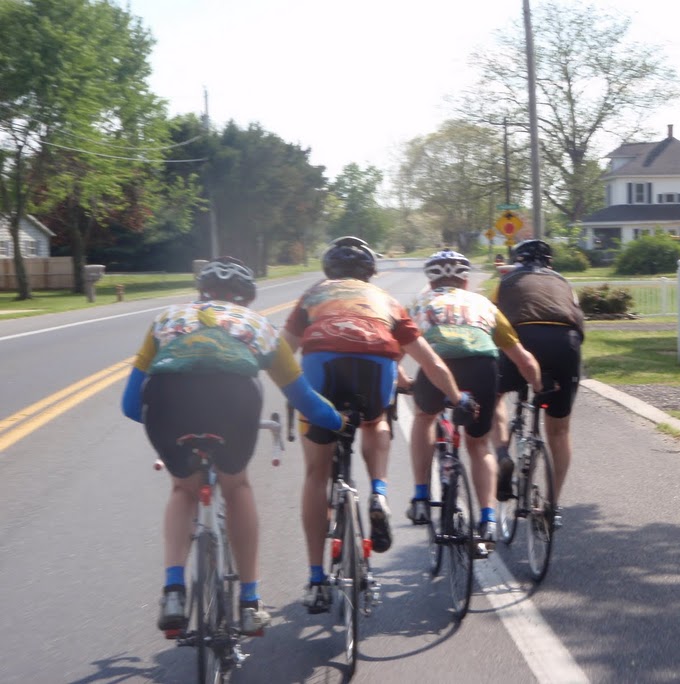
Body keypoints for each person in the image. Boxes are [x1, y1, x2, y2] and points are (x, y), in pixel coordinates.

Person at [121, 256, 345, 636]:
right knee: (236, 485)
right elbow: (306, 401)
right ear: (247, 298)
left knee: (183, 489)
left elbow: (130, 405)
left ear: (200, 293)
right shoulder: (259, 325)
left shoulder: (166, 320)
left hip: (166, 402)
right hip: (234, 401)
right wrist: (338, 421)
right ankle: (250, 603)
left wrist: (170, 432)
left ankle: (173, 592)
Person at [281, 236, 477, 613]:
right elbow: (431, 362)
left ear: (328, 271)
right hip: (375, 365)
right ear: (370, 273)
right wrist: (457, 398)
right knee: (374, 421)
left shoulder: (312, 295)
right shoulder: (385, 300)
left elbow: (281, 352)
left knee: (316, 476)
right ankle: (379, 494)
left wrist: (293, 391)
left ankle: (317, 580)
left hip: (321, 368)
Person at [407, 249, 541, 552]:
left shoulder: (419, 302)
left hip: (438, 365)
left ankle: (420, 497)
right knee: (478, 445)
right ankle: (488, 520)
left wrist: (400, 382)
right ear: (465, 281)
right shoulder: (483, 304)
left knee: (424, 417)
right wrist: (538, 384)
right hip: (482, 367)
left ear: (431, 281)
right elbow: (522, 358)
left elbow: (396, 348)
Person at [491, 239, 585, 527]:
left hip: (523, 340)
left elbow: (491, 320)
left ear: (517, 262)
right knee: (559, 430)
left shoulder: (506, 282)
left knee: (494, 397)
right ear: (550, 263)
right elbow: (578, 317)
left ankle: (503, 454)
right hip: (565, 344)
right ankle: (553, 505)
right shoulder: (564, 283)